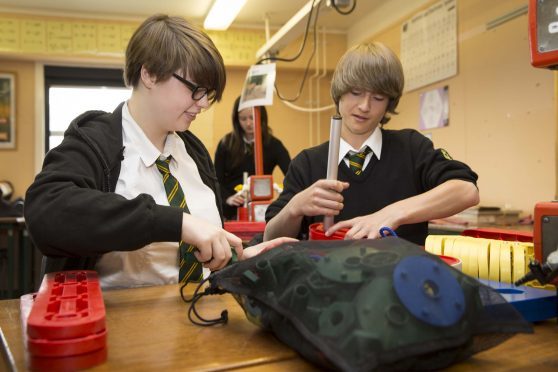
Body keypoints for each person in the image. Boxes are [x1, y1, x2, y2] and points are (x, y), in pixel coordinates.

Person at [24, 14, 292, 289]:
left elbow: (204, 251)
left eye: (207, 94)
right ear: (149, 73)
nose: (202, 104)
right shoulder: (96, 141)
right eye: (195, 90)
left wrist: (237, 257)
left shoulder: (193, 151)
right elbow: (46, 211)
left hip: (200, 319)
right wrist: (177, 223)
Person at [264, 42, 479, 245]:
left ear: (389, 103)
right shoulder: (308, 163)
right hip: (328, 281)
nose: (364, 106)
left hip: (401, 280)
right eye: (356, 93)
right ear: (339, 93)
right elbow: (270, 237)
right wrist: (294, 208)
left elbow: (466, 190)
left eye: (378, 97)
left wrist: (392, 214)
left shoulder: (411, 148)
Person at [215, 96, 291, 220]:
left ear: (261, 117)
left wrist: (281, 201)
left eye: (252, 117)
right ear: (236, 119)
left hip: (262, 211)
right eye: (243, 119)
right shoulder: (226, 144)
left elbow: (291, 174)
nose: (249, 123)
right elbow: (215, 179)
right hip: (230, 211)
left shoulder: (274, 145)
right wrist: (227, 198)